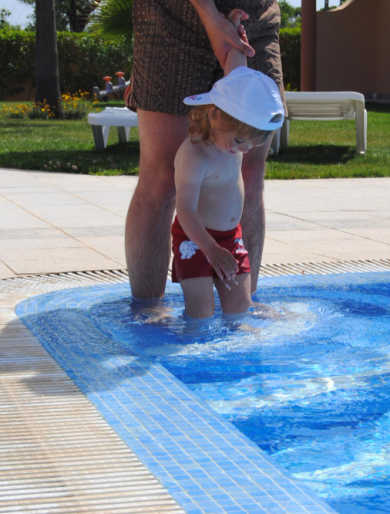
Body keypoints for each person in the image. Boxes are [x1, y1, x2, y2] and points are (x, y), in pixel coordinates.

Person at [125, 0, 285, 299]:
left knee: (249, 170)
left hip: (255, 13)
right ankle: (146, 311)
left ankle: (242, 306)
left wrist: (235, 28)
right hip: (172, 12)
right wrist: (208, 14)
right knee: (162, 176)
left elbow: (239, 73)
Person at [171, 12, 284, 318]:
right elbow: (185, 212)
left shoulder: (234, 126)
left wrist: (235, 33)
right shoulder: (194, 155)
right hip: (195, 240)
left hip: (230, 237)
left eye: (250, 145)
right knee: (201, 313)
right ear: (215, 114)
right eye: (238, 143)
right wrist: (210, 249)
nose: (243, 150)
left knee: (240, 311)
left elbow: (238, 74)